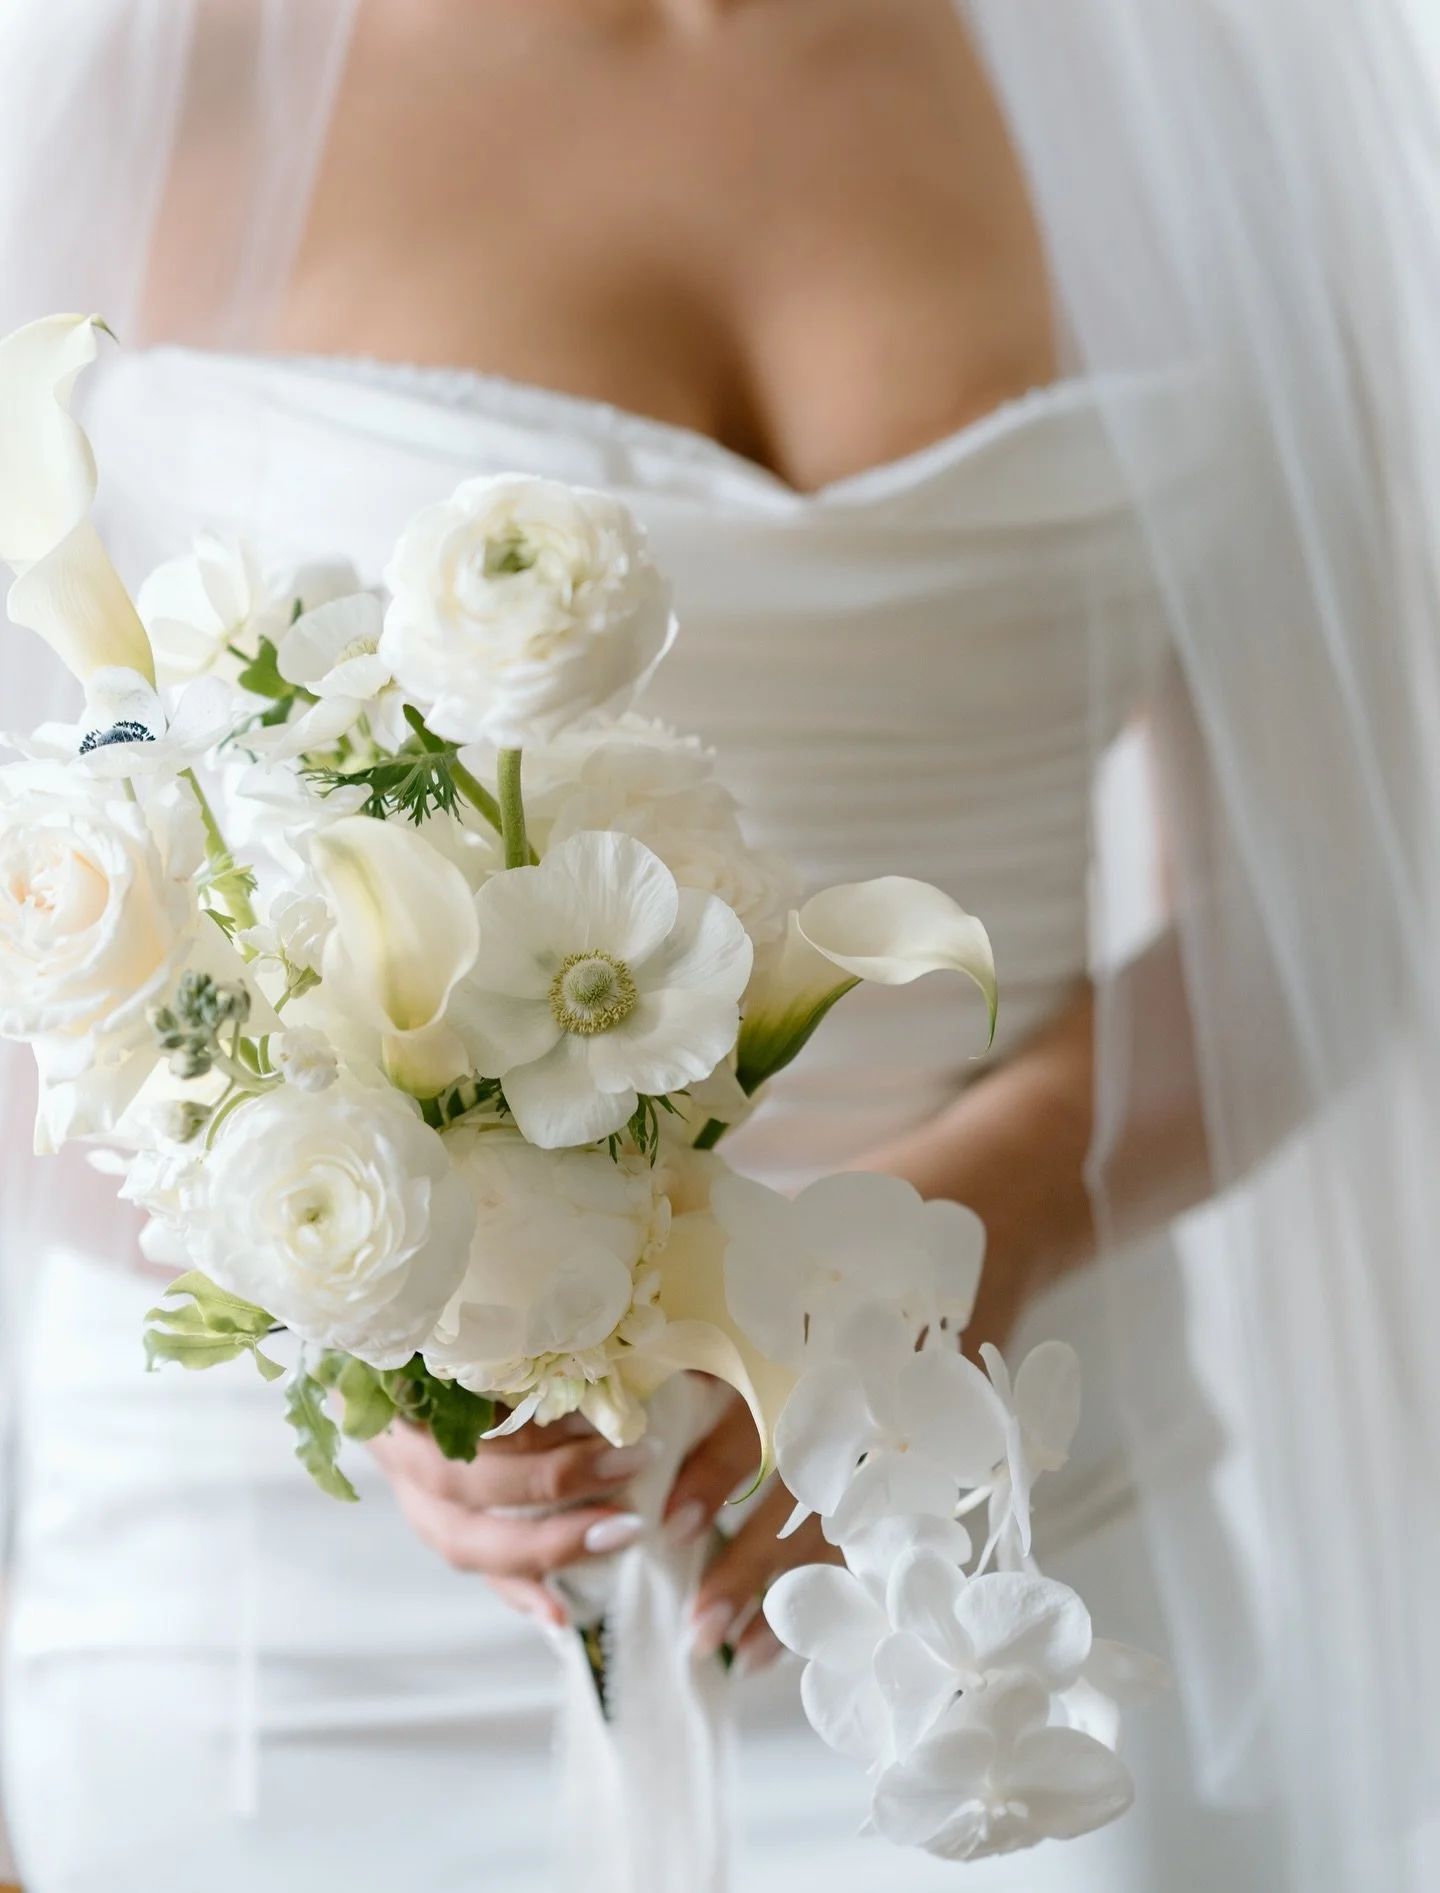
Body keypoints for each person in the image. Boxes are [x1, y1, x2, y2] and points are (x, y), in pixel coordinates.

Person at [0, 3, 1436, 1890]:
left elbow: (1347, 876)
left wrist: (963, 1228)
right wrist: (376, 1338)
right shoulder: (150, 81)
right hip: (321, 1592)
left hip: (978, 1549)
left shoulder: (1185, 92)